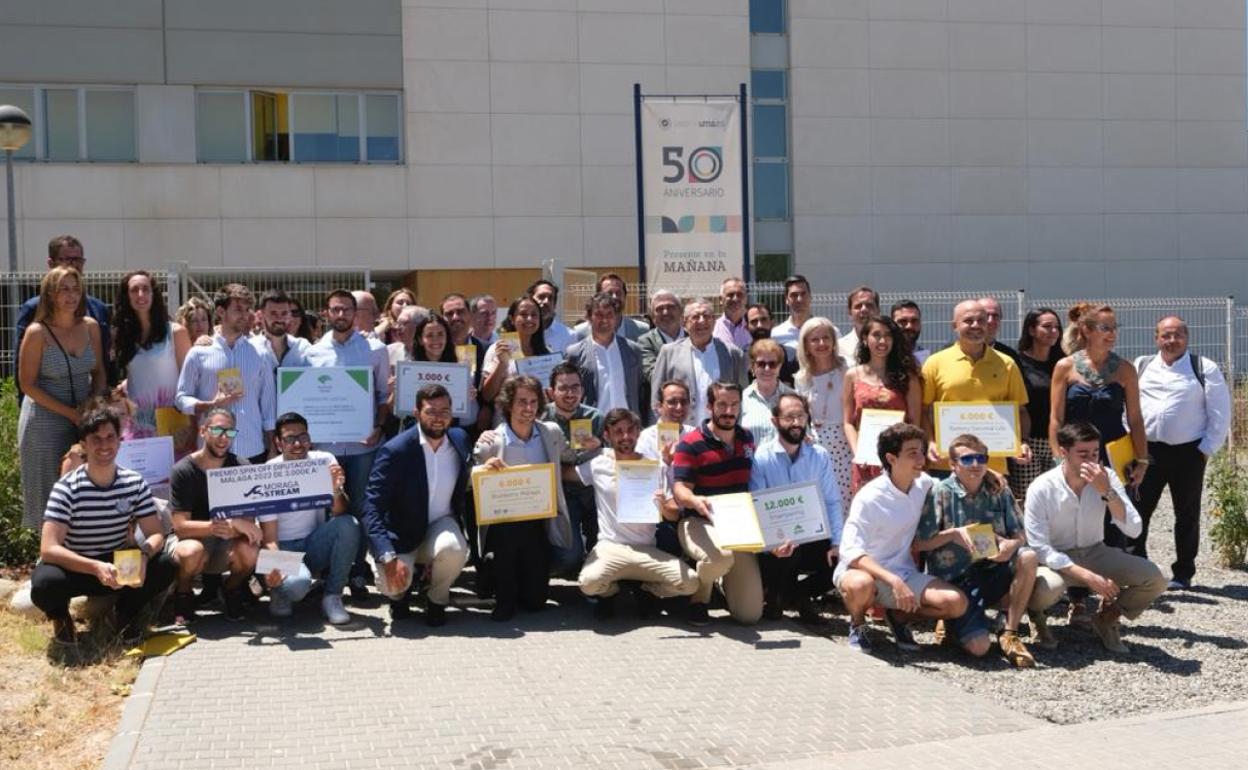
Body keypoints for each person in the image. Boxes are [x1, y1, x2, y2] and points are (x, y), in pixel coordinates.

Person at [31, 408, 177, 655]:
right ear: (83, 444)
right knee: (44, 584)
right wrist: (94, 567)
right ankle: (61, 619)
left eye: (110, 437)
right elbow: (49, 549)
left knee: (165, 565)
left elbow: (155, 534)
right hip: (76, 564)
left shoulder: (133, 482)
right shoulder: (66, 488)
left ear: (120, 441)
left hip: (117, 562)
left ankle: (123, 616)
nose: (104, 445)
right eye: (96, 439)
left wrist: (143, 554)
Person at [1025, 422, 1168, 653]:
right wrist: (1089, 577)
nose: (1091, 461)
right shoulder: (1041, 487)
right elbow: (1040, 547)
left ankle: (1106, 619)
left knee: (1156, 578)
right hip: (1055, 558)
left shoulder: (1106, 477)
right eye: (1083, 454)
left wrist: (1107, 492)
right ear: (1063, 453)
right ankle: (1037, 617)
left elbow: (1134, 529)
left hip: (1094, 551)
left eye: (1095, 453)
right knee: (1045, 590)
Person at [833, 423, 968, 652]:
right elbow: (851, 552)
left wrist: (991, 473)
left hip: (903, 572)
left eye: (921, 452)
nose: (921, 459)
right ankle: (857, 623)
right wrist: (893, 581)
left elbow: (954, 482)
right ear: (891, 458)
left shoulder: (922, 483)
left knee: (956, 604)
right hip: (863, 573)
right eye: (912, 453)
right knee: (860, 585)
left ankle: (898, 617)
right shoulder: (869, 497)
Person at [915, 434, 1042, 667]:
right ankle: (954, 623)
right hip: (957, 579)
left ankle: (1010, 632)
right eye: (967, 459)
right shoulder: (940, 492)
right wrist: (954, 534)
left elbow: (1021, 534)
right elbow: (919, 543)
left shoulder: (999, 489)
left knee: (1029, 556)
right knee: (979, 649)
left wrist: (1009, 546)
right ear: (953, 464)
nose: (975, 464)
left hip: (994, 569)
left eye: (981, 458)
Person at [1132, 316, 1231, 590]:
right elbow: (1129, 409)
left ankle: (1183, 572)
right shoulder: (1141, 366)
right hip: (1147, 452)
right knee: (1138, 509)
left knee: (1186, 514)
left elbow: (1220, 413)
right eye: (1165, 335)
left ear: (1186, 338)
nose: (1171, 341)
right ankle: (1138, 568)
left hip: (1189, 452)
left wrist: (1205, 451)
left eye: (1177, 335)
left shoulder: (1203, 368)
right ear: (1156, 338)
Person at [304, 289, 391, 597]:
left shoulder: (375, 350)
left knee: (362, 507)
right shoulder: (312, 353)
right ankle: (328, 572)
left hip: (363, 446)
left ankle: (356, 571)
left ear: (356, 314)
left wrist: (379, 426)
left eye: (346, 310)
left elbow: (383, 396)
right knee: (328, 509)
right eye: (335, 310)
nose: (340, 315)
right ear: (327, 313)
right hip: (325, 447)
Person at [364, 384, 472, 626]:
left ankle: (436, 599)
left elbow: (471, 475)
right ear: (416, 413)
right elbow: (372, 507)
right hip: (402, 533)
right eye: (430, 412)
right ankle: (400, 597)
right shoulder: (395, 451)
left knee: (455, 550)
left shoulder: (459, 440)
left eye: (444, 411)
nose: (438, 418)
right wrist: (387, 555)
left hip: (440, 526)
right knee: (390, 584)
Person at [575, 408, 698, 618]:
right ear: (607, 435)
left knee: (690, 583)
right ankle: (610, 593)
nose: (625, 436)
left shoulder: (654, 466)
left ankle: (648, 591)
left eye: (630, 430)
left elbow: (673, 515)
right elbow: (563, 474)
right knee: (588, 583)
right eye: (618, 431)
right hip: (611, 547)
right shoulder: (598, 464)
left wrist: (663, 506)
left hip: (646, 548)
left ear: (638, 433)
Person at [473, 376, 575, 620]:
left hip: (537, 521)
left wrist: (595, 448)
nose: (528, 408)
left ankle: (516, 581)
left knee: (535, 601)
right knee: (507, 544)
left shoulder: (550, 433)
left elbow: (570, 455)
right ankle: (502, 590)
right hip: (503, 525)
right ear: (509, 404)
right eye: (521, 402)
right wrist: (482, 467)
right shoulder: (491, 442)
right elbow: (471, 480)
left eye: (532, 402)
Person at [18, 267, 109, 529]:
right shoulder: (37, 332)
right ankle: (47, 558)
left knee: (83, 488)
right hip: (44, 422)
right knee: (48, 493)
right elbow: (27, 384)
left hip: (84, 419)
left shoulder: (90, 327)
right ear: (50, 293)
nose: (71, 295)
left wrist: (94, 405)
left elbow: (99, 371)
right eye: (64, 289)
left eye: (76, 289)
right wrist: (69, 413)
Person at [671, 381, 764, 626]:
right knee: (721, 558)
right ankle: (699, 599)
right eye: (722, 404)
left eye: (734, 404)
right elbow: (679, 489)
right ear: (709, 406)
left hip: (738, 528)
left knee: (749, 615)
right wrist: (694, 499)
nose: (728, 410)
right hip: (698, 521)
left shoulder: (746, 439)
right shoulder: (690, 442)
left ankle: (719, 580)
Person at [749, 392, 843, 624]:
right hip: (775, 544)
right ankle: (776, 598)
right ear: (775, 421)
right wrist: (771, 546)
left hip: (811, 535)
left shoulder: (819, 455)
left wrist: (837, 543)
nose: (796, 423)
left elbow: (832, 500)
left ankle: (798, 595)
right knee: (788, 548)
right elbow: (756, 505)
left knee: (843, 560)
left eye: (800, 416)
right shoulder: (761, 457)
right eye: (789, 417)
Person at [258, 412, 358, 625]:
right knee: (296, 587)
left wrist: (335, 490)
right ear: (277, 442)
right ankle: (279, 591)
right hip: (282, 546)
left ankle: (332, 596)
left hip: (313, 543)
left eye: (303, 437)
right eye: (289, 438)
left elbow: (340, 512)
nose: (297, 444)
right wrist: (273, 567)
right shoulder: (269, 471)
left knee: (349, 525)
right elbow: (269, 537)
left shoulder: (325, 460)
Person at [168, 408, 261, 623]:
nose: (223, 438)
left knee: (249, 550)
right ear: (203, 431)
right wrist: (221, 525)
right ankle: (183, 593)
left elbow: (248, 522)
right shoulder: (183, 470)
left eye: (229, 432)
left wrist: (239, 525)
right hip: (193, 540)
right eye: (218, 430)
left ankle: (231, 589)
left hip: (226, 542)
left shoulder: (242, 466)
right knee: (191, 552)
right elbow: (180, 526)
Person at [922, 300, 1031, 478]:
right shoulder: (935, 363)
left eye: (981, 320)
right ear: (954, 326)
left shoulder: (1007, 364)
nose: (976, 325)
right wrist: (931, 442)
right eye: (968, 321)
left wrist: (1022, 442)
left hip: (993, 465)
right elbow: (923, 410)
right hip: (946, 465)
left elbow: (1021, 410)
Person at [174, 283, 276, 464]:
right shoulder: (199, 352)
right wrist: (210, 404)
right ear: (220, 312)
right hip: (211, 453)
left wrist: (272, 450)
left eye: (247, 309)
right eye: (238, 310)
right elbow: (181, 399)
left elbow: (268, 408)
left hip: (252, 449)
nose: (245, 315)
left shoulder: (261, 353)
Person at [1050, 303, 1147, 487]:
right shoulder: (1064, 367)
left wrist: (1142, 460)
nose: (1112, 334)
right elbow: (1056, 419)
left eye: (1114, 328)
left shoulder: (1126, 370)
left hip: (1113, 454)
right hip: (1076, 454)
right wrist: (1058, 458)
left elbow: (1135, 419)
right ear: (1086, 330)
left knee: (1116, 510)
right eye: (1105, 328)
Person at [15, 235, 112, 400]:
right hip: (45, 413)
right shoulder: (33, 310)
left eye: (78, 260)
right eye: (67, 260)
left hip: (86, 412)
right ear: (51, 264)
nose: (73, 265)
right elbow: (23, 373)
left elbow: (102, 365)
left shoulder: (98, 310)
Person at [842, 316, 921, 494]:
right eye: (876, 335)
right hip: (865, 461)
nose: (882, 341)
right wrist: (858, 452)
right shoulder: (852, 375)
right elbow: (848, 422)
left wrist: (906, 453)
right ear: (864, 338)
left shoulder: (908, 377)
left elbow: (915, 421)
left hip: (899, 460)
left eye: (888, 335)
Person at [113, 270, 191, 440]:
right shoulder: (123, 336)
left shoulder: (175, 332)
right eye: (134, 290)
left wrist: (190, 425)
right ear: (127, 296)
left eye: (145, 289)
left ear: (154, 294)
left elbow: (190, 381)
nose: (140, 294)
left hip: (174, 425)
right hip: (137, 426)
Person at [542, 362, 604, 570]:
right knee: (568, 559)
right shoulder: (541, 419)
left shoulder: (596, 417)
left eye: (575, 387)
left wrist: (599, 447)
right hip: (558, 494)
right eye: (563, 388)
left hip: (592, 491)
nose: (570, 394)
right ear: (551, 392)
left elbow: (614, 458)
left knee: (601, 551)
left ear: (583, 390)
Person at [650, 298, 748, 427]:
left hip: (719, 434)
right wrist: (667, 433)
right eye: (695, 317)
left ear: (714, 321)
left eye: (707, 316)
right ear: (684, 322)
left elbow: (743, 398)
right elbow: (657, 400)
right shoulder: (669, 353)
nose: (702, 321)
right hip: (679, 433)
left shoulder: (733, 354)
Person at [793, 317, 853, 507]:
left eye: (826, 338)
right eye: (815, 339)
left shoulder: (848, 369)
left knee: (845, 500)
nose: (821, 344)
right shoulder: (802, 378)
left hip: (844, 444)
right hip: (814, 447)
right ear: (806, 345)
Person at [1009, 308, 1063, 501]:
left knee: (1056, 496)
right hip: (1030, 440)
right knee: (1028, 496)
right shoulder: (1018, 362)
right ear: (1031, 330)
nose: (1053, 331)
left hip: (1058, 440)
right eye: (1047, 327)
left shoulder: (1063, 363)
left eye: (1056, 327)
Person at [565, 293, 646, 420]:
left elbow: (641, 389)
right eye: (599, 315)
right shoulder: (575, 353)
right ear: (589, 318)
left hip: (627, 428)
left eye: (609, 315)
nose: (604, 320)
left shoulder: (632, 350)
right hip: (593, 426)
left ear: (616, 318)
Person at [480, 294, 550, 405]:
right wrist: (501, 364)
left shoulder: (547, 353)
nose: (529, 319)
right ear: (512, 319)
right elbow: (487, 395)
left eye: (534, 315)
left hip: (539, 418)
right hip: (506, 419)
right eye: (523, 314)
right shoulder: (498, 349)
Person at [739, 338, 793, 447]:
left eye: (772, 364)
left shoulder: (794, 398)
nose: (767, 369)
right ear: (752, 367)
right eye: (761, 364)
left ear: (780, 366)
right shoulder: (741, 399)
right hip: (752, 463)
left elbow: (804, 436)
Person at [573, 273, 650, 342]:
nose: (614, 297)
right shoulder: (580, 333)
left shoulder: (642, 331)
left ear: (625, 296)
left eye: (618, 293)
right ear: (599, 297)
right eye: (609, 293)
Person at [250, 289, 308, 375]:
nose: (279, 318)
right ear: (262, 315)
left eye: (284, 313)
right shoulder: (250, 348)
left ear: (289, 315)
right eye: (273, 313)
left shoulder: (302, 348)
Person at [636, 288, 683, 384]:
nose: (665, 312)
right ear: (653, 317)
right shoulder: (645, 342)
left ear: (681, 312)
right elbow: (654, 375)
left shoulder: (693, 338)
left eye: (670, 307)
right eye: (659, 309)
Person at [746, 303, 798, 385]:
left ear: (772, 322)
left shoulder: (789, 355)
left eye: (764, 320)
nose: (759, 325)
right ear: (746, 327)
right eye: (754, 322)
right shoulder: (742, 357)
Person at [530, 278, 577, 353]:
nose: (546, 302)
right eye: (541, 297)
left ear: (554, 305)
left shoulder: (569, 336)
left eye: (551, 298)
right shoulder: (519, 333)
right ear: (530, 301)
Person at [769, 275, 813, 352]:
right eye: (794, 295)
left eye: (803, 294)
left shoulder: (828, 332)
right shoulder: (776, 335)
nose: (799, 299)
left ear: (810, 297)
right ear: (786, 300)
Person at [838, 286, 880, 360]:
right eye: (858, 306)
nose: (864, 309)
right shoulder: (839, 348)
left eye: (869, 305)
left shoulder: (886, 345)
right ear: (850, 312)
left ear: (878, 310)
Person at [979, 296, 1021, 366]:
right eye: (986, 315)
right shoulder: (956, 353)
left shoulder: (1010, 355)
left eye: (995, 316)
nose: (990, 321)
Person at [713, 277, 751, 350]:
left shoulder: (752, 329)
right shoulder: (712, 329)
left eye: (739, 295)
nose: (735, 299)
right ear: (721, 299)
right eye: (730, 295)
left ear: (746, 299)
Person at [890, 299, 930, 365]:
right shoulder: (882, 357)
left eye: (914, 321)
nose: (909, 326)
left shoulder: (927, 360)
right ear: (892, 324)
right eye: (903, 321)